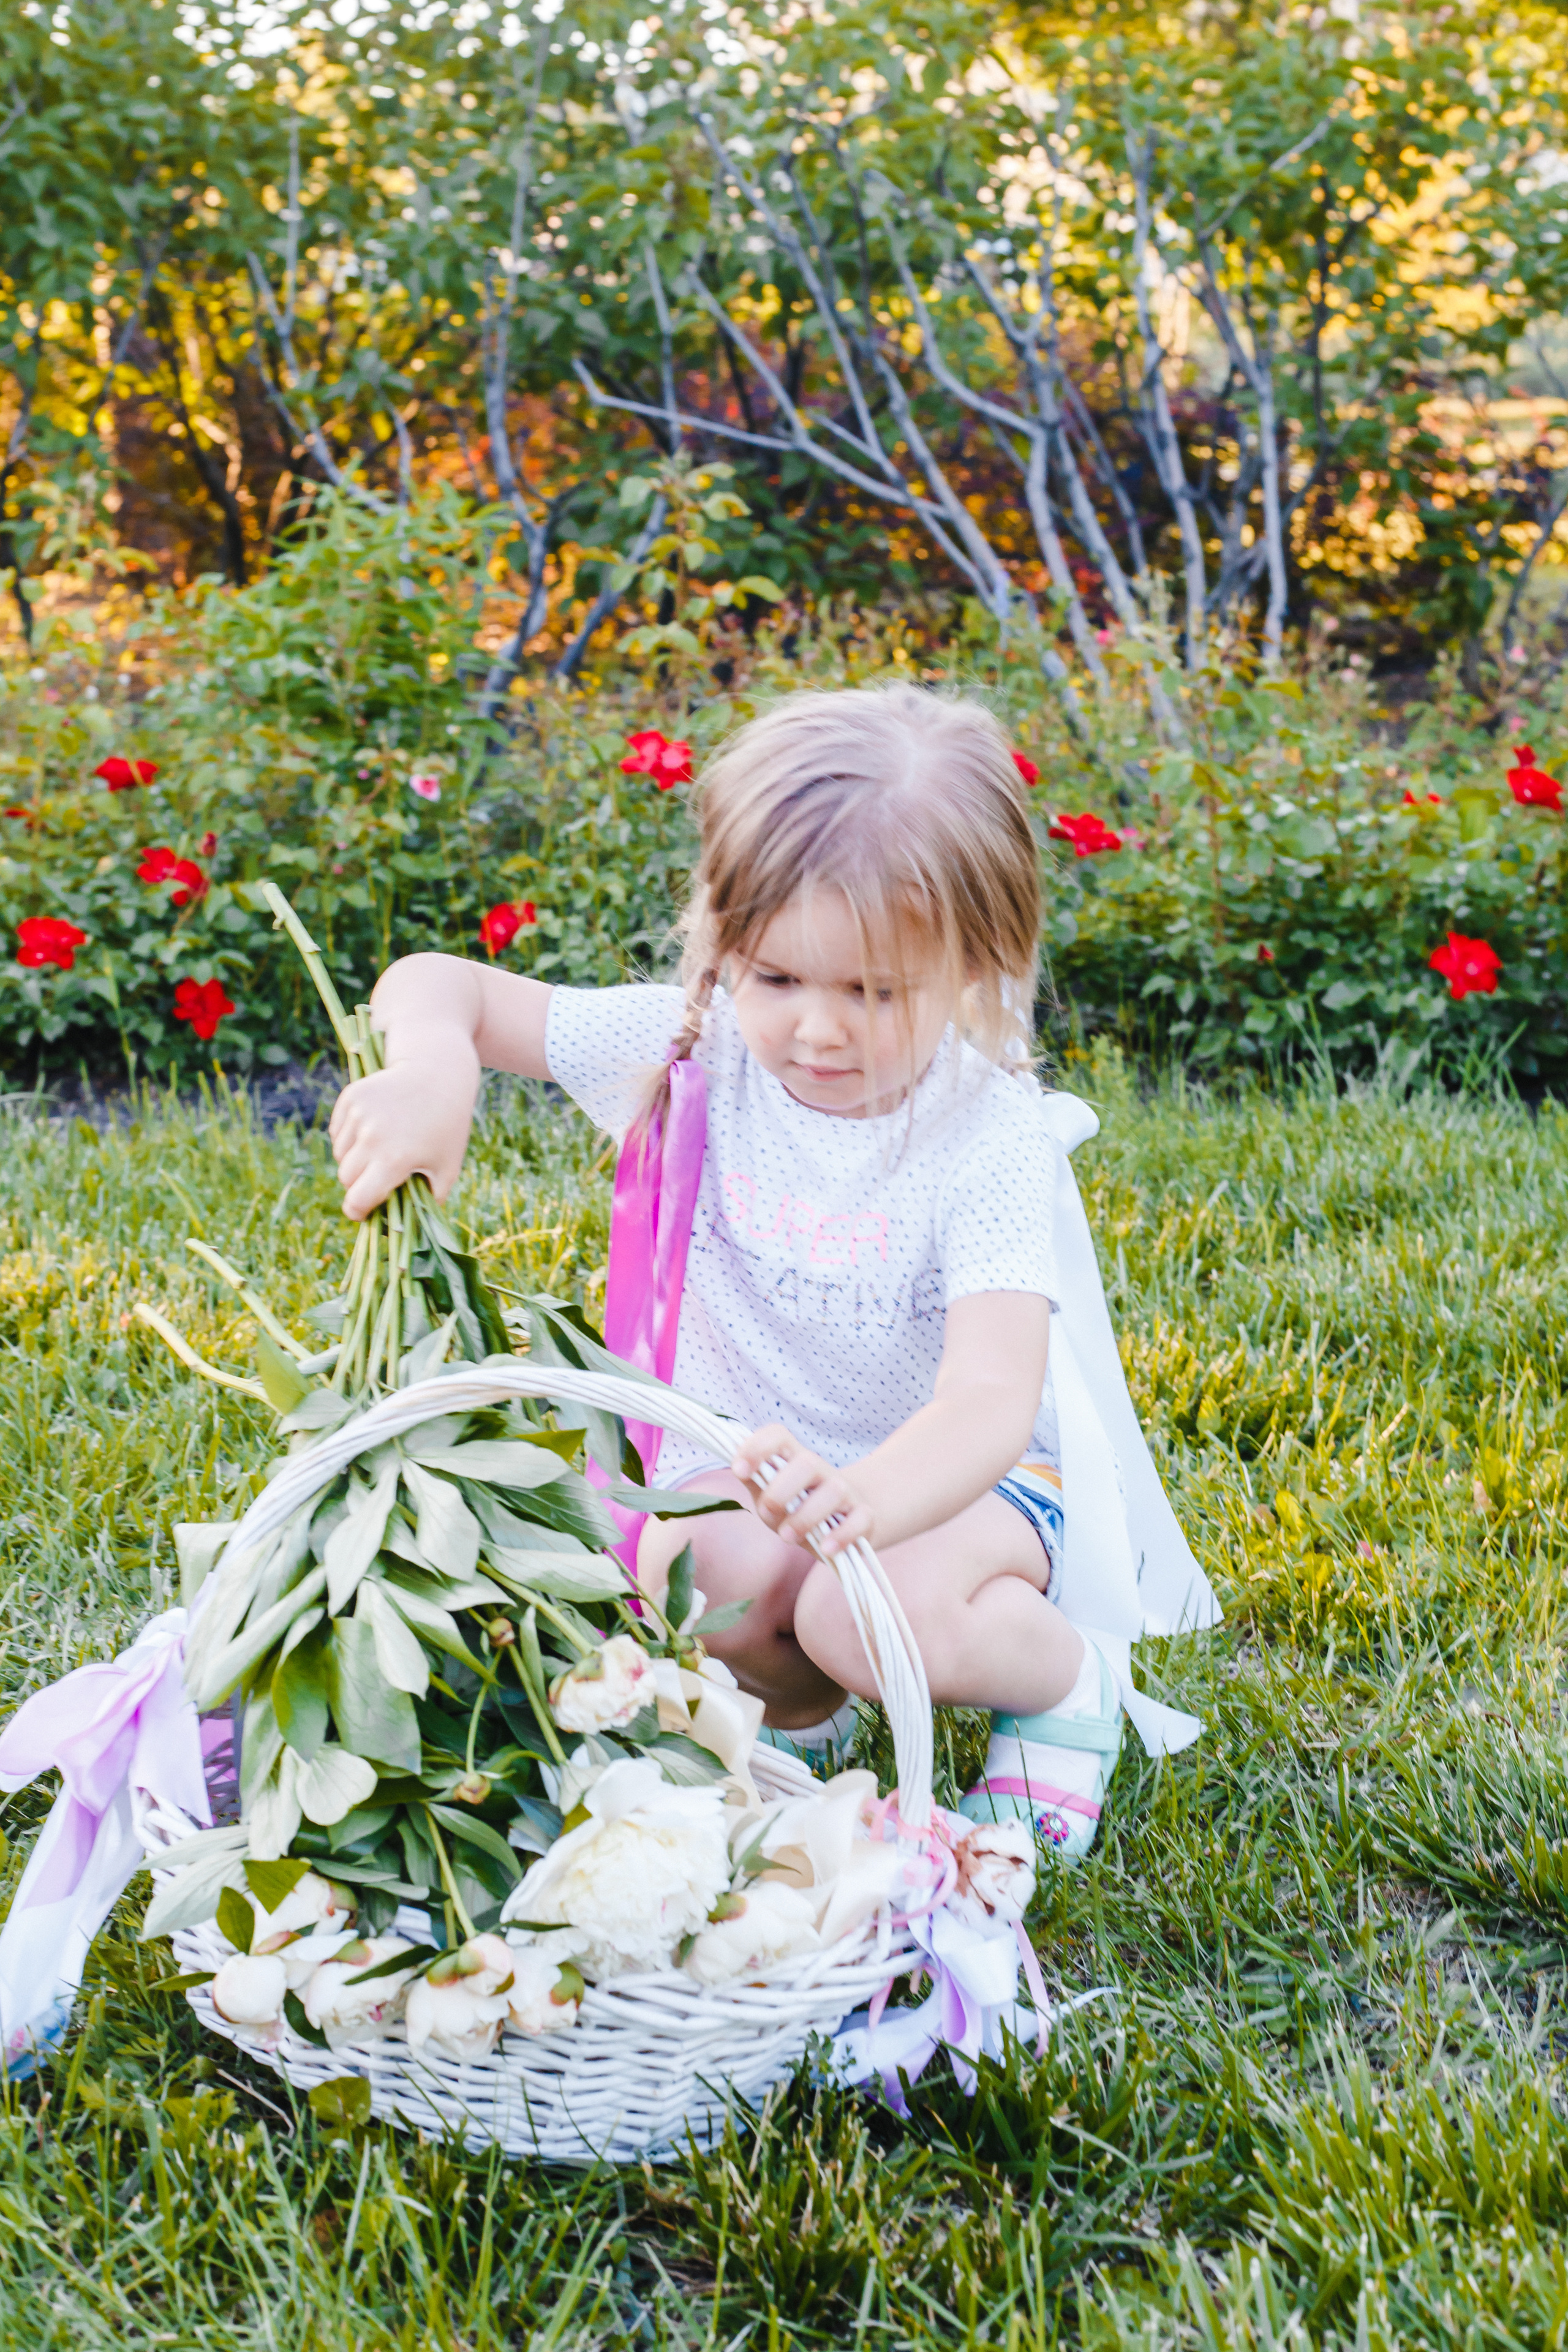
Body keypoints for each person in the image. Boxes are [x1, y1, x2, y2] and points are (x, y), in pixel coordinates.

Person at [329, 683, 1216, 1862]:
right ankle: (807, 1717)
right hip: (755, 1469)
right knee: (718, 1578)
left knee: (863, 1605)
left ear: (976, 965)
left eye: (874, 992)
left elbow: (991, 1400)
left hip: (960, 1490)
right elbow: (443, 984)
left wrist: (868, 1506)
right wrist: (435, 1066)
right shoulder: (694, 1054)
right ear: (722, 941)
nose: (818, 1031)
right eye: (778, 977)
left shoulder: (985, 1134)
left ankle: (1061, 1683)